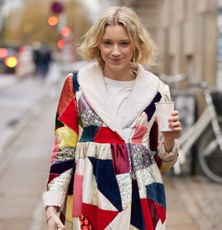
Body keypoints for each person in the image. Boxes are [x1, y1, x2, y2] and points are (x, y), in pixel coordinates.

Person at [43, 6, 182, 230]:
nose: (115, 51)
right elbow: (63, 149)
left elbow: (162, 163)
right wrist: (52, 207)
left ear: (136, 44)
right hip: (92, 200)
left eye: (124, 43)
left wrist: (169, 140)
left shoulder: (156, 90)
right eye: (108, 43)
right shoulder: (77, 85)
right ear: (98, 44)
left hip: (143, 201)